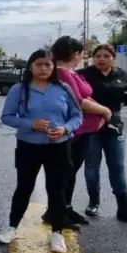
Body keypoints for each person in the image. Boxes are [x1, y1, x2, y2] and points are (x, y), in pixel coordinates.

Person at [0, 49, 82, 253]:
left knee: (57, 189)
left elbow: (77, 116)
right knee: (24, 187)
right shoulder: (20, 89)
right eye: (39, 64)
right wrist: (30, 124)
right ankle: (12, 227)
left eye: (48, 65)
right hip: (28, 146)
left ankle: (57, 233)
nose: (43, 68)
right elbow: (7, 116)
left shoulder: (64, 89)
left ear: (53, 68)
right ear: (31, 67)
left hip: (59, 147)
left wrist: (65, 128)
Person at [45, 36, 112, 229]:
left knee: (70, 172)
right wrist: (105, 112)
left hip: (82, 131)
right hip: (73, 131)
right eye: (82, 53)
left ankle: (65, 208)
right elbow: (77, 101)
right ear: (75, 54)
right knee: (65, 172)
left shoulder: (69, 73)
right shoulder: (62, 74)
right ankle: (56, 212)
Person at [78, 44, 127, 224]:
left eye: (106, 56)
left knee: (117, 166)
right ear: (93, 59)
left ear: (113, 58)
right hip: (91, 123)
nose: (101, 59)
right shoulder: (84, 75)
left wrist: (125, 102)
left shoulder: (121, 75)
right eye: (98, 56)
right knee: (92, 166)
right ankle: (93, 202)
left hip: (114, 123)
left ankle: (124, 208)